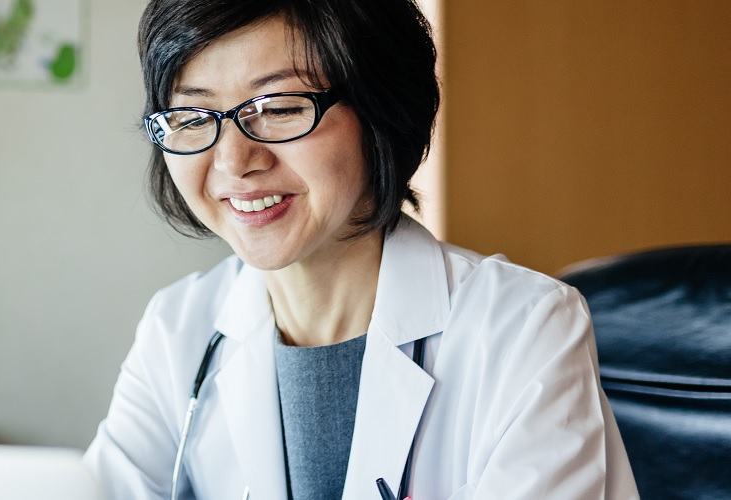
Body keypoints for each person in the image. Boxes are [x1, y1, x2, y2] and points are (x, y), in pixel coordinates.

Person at [82, 1, 641, 499]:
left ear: (380, 110)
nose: (234, 162)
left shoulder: (524, 329)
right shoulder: (178, 328)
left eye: (279, 108)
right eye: (195, 116)